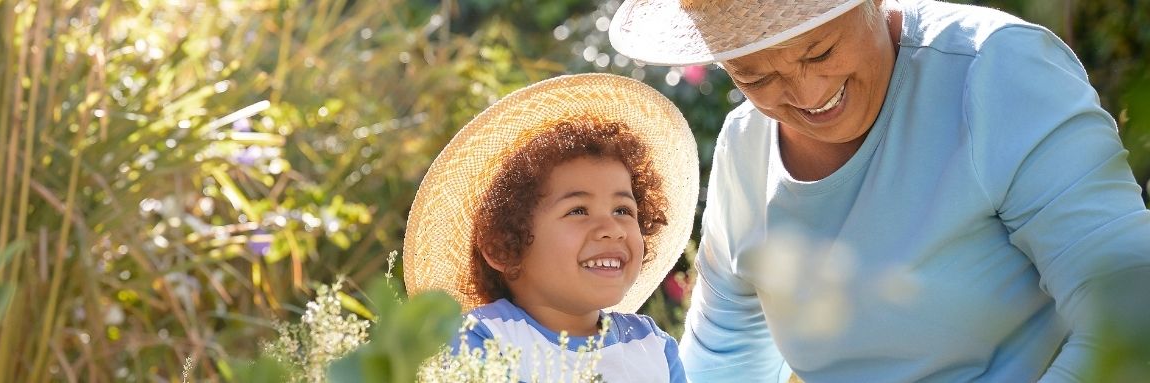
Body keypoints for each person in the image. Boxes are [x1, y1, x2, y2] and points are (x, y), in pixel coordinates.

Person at [609, 0, 1150, 381]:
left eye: (818, 52)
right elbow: (724, 359)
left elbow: (1129, 312)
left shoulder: (993, 72)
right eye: (756, 78)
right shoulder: (745, 147)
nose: (807, 94)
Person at [402, 74, 698, 382]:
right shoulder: (482, 338)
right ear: (503, 246)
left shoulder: (652, 346)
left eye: (623, 210)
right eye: (578, 210)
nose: (612, 229)